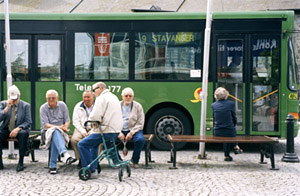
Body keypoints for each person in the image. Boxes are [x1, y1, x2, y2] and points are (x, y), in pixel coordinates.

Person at [78, 82, 123, 179]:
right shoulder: (114, 97)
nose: (93, 93)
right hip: (115, 131)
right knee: (93, 145)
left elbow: (95, 116)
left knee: (82, 144)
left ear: (101, 88)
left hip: (105, 131)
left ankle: (90, 169)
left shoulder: (101, 98)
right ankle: (94, 167)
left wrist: (89, 126)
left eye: (94, 90)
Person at [40, 89, 77, 174]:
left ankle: (53, 166)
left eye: (53, 98)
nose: (51, 100)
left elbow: (67, 121)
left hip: (61, 131)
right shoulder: (43, 108)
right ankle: (64, 154)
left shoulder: (62, 105)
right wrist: (59, 127)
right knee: (55, 131)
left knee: (55, 135)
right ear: (46, 98)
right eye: (49, 98)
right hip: (47, 132)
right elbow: (45, 125)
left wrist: (65, 127)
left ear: (57, 98)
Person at [0, 85, 32, 172]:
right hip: (6, 128)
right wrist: (6, 108)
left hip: (19, 129)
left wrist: (18, 128)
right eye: (12, 99)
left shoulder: (25, 106)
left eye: (16, 99)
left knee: (23, 134)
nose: (14, 101)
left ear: (19, 96)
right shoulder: (3, 104)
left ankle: (20, 161)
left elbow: (28, 121)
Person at [211, 87, 243, 161]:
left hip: (217, 131)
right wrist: (233, 124)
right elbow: (234, 117)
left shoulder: (213, 105)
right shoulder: (231, 104)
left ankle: (227, 155)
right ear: (226, 95)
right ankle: (236, 146)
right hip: (229, 130)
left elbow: (215, 118)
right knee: (230, 130)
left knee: (226, 134)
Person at [119, 87, 145, 168]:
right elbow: (111, 121)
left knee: (140, 140)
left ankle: (135, 160)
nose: (128, 98)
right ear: (122, 96)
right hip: (119, 130)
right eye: (126, 96)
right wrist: (118, 132)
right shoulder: (116, 106)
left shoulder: (138, 106)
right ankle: (117, 160)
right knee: (109, 140)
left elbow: (140, 123)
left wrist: (131, 132)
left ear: (133, 97)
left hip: (133, 130)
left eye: (130, 96)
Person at [71, 90, 94, 169]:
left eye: (88, 97)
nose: (86, 99)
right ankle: (81, 159)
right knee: (74, 139)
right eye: (84, 97)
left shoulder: (97, 106)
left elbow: (100, 121)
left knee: (99, 140)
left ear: (92, 97)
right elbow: (75, 122)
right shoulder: (78, 106)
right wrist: (83, 132)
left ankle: (94, 160)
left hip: (93, 128)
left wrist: (91, 132)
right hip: (81, 128)